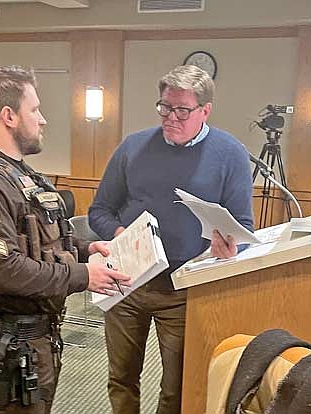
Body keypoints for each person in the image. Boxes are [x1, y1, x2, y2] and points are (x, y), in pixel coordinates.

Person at [0, 66, 131, 414]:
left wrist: (85, 249)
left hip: (37, 337)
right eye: (35, 110)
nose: (43, 119)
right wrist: (83, 274)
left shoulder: (20, 176)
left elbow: (38, 242)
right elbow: (2, 270)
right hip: (10, 340)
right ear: (9, 116)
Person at [88, 65, 254, 414]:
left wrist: (230, 247)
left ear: (205, 110)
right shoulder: (133, 147)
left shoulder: (231, 153)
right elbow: (100, 211)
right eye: (165, 107)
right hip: (126, 281)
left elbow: (243, 227)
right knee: (121, 378)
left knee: (177, 386)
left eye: (182, 110)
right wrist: (124, 236)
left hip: (183, 288)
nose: (171, 117)